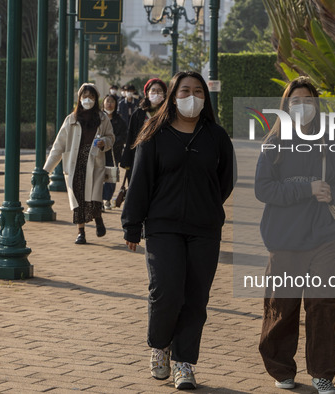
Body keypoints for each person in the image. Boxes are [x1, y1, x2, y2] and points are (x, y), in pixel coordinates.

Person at [121, 71, 235, 390]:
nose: (192, 96)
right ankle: (160, 345)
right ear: (173, 95)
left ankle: (183, 362)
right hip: (163, 227)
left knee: (196, 298)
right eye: (185, 90)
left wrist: (208, 205)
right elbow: (140, 183)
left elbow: (224, 181)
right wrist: (131, 225)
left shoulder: (216, 136)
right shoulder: (154, 134)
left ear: (206, 98)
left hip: (205, 229)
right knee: (167, 291)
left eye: (199, 91)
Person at [254, 77, 335, 394]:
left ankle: (322, 374)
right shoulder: (273, 145)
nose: (302, 106)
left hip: (323, 236)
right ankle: (281, 367)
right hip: (284, 238)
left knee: (323, 305)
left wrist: (332, 194)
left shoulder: (328, 143)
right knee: (282, 306)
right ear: (285, 107)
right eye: (295, 101)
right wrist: (306, 189)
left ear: (316, 106)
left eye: (307, 100)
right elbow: (263, 189)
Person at [43, 83, 115, 244]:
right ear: (79, 99)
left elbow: (111, 137)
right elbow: (58, 146)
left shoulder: (102, 119)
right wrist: (46, 169)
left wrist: (104, 142)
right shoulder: (71, 120)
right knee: (78, 199)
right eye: (84, 97)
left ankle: (98, 219)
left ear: (96, 99)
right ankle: (81, 232)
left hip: (95, 163)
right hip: (76, 165)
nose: (87, 100)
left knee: (95, 198)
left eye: (91, 97)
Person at [119, 78, 167, 178]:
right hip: (141, 157)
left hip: (163, 158)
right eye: (153, 90)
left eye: (159, 91)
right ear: (147, 93)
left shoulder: (168, 114)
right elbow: (131, 137)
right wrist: (127, 160)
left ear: (164, 94)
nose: (156, 93)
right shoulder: (138, 114)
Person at [101, 94, 127, 210]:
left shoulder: (119, 120)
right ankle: (99, 200)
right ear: (103, 103)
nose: (109, 104)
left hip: (114, 153)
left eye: (112, 102)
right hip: (100, 153)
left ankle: (107, 199)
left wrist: (114, 141)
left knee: (110, 177)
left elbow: (124, 136)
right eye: (107, 101)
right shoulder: (98, 118)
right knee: (99, 177)